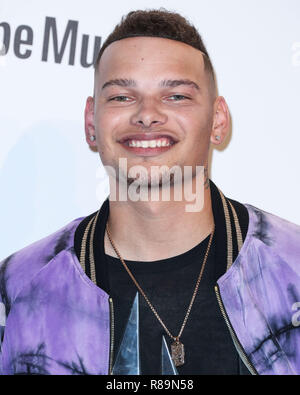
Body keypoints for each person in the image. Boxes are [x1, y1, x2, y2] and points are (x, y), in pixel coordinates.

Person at [0, 9, 300, 376]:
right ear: (91, 123)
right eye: (122, 97)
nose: (147, 114)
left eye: (176, 96)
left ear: (218, 121)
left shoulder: (293, 268)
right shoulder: (18, 287)